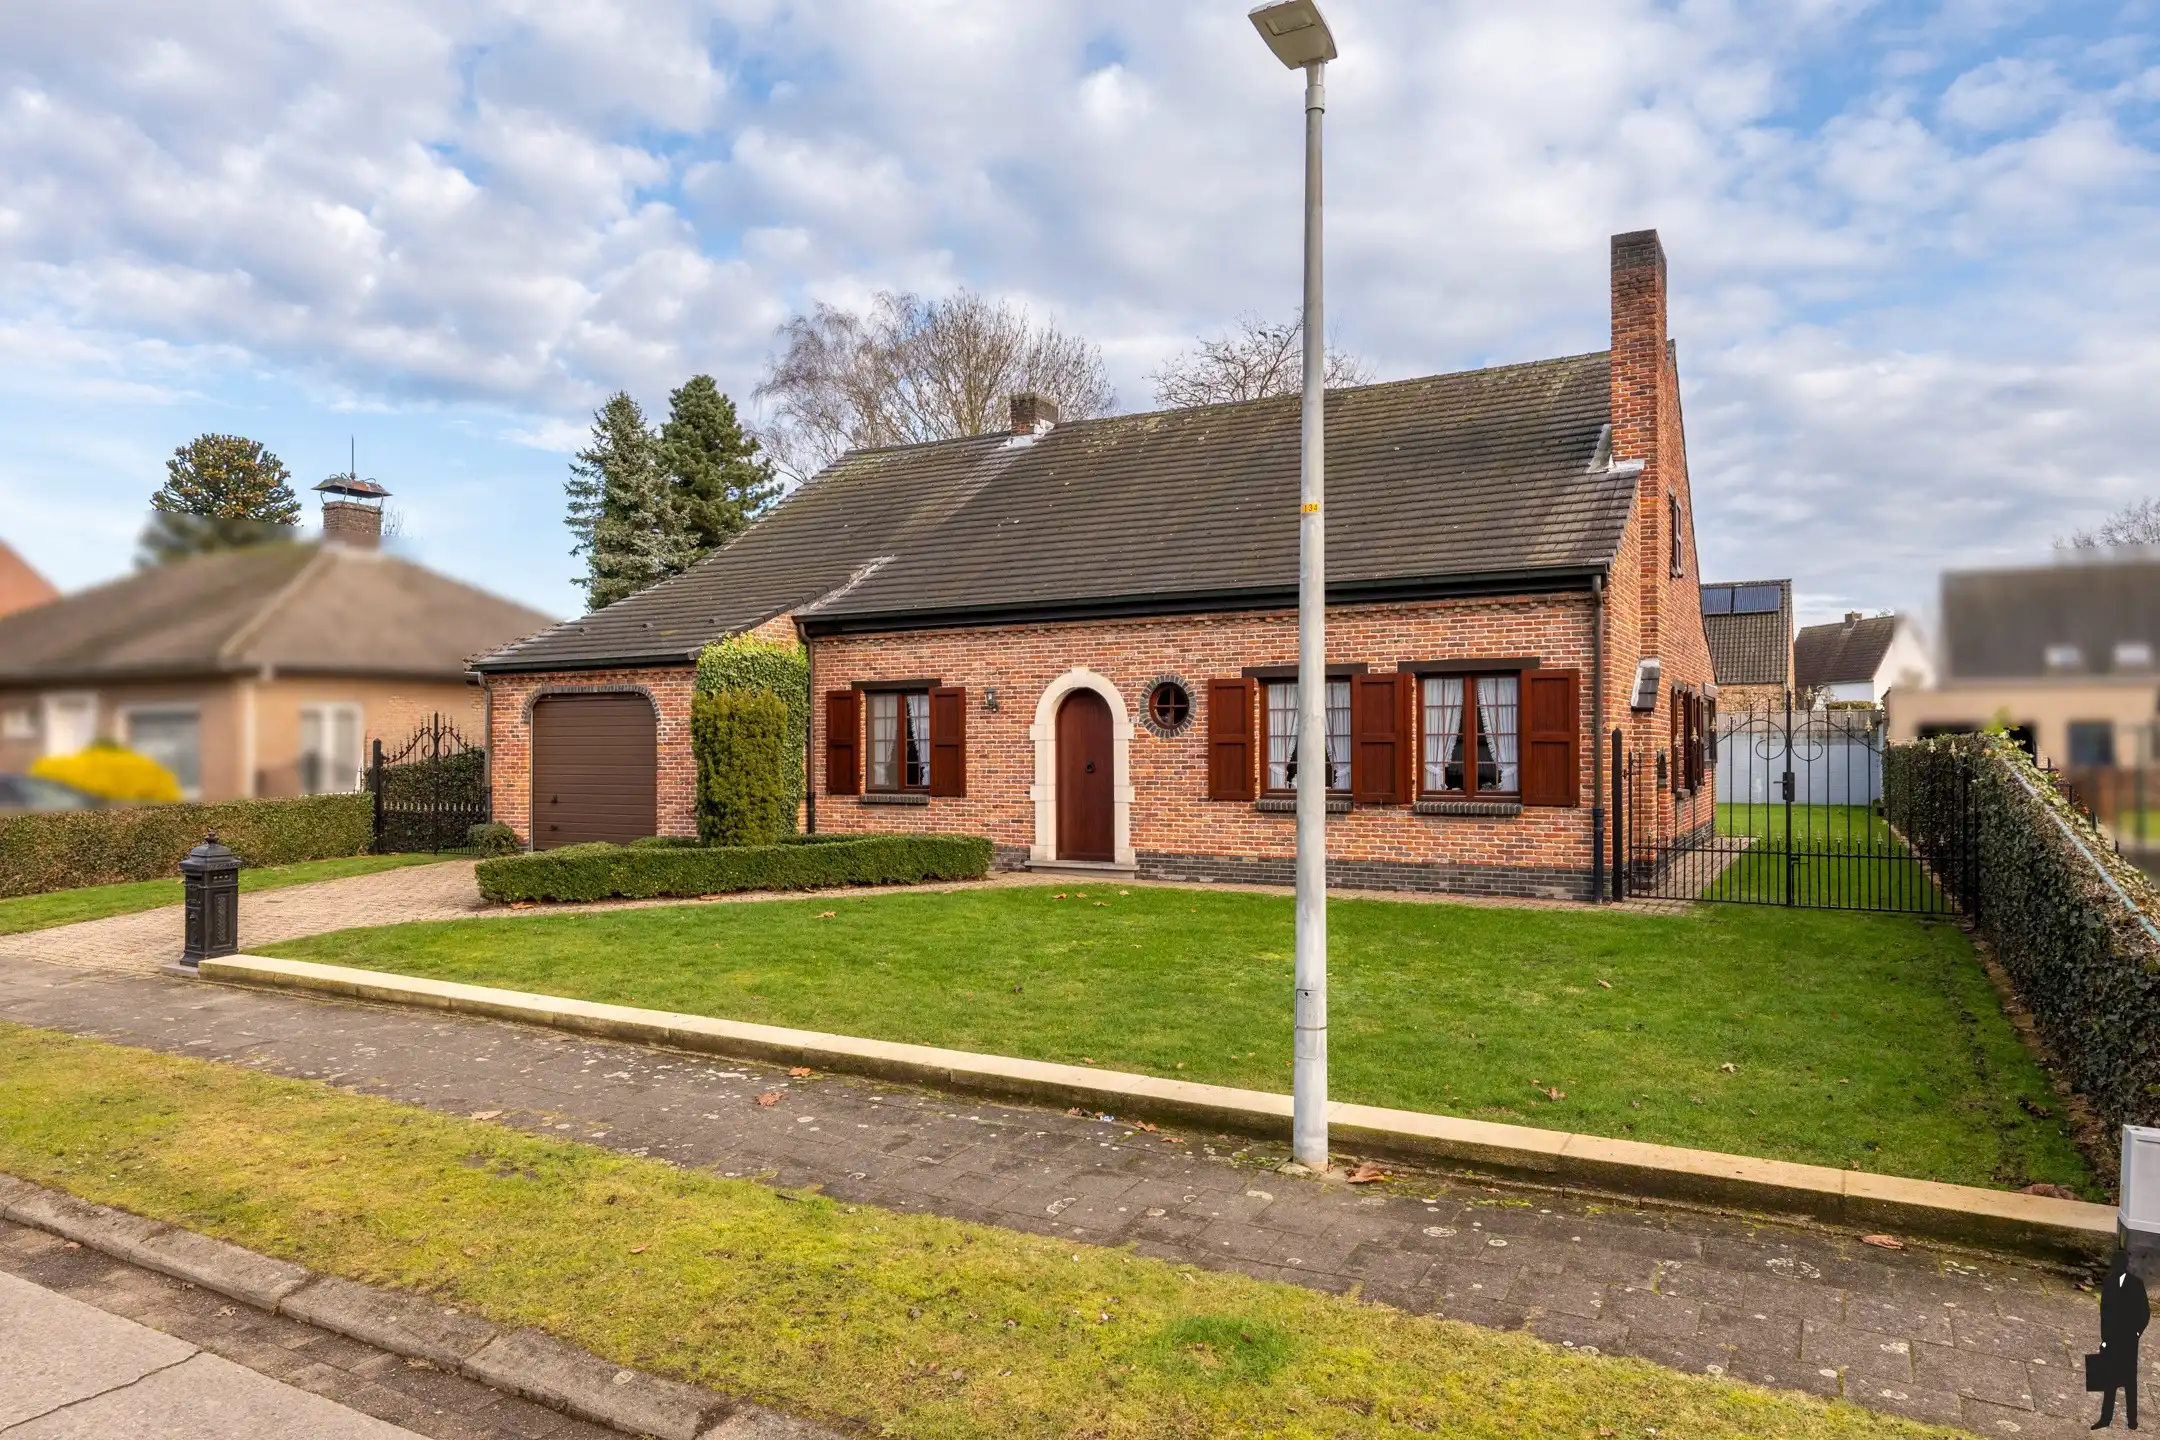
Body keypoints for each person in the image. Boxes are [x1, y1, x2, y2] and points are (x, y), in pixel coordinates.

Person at [2091, 1250, 2149, 1430]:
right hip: (2112, 1339)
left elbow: (2144, 1313)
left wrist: (2137, 1333)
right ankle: (2105, 1419)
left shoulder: (2136, 1284)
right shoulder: (2109, 1283)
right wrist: (2104, 1339)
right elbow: (2105, 1314)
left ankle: (2132, 1421)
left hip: (2129, 1340)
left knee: (2130, 1382)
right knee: (2110, 1381)